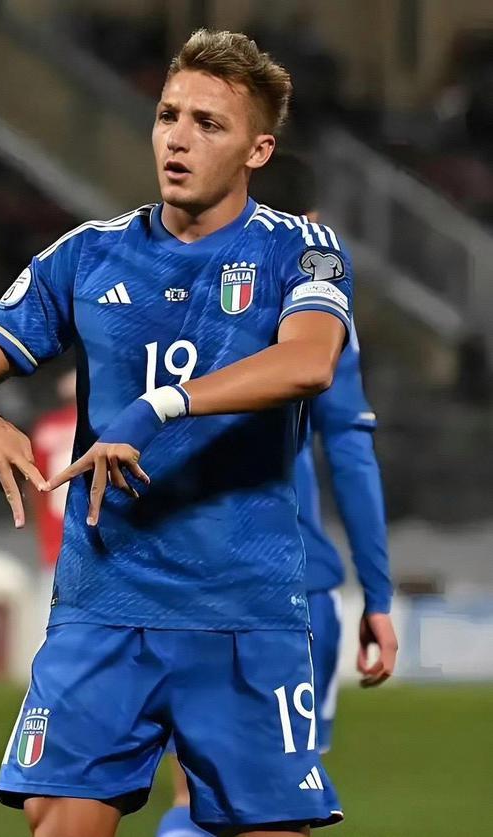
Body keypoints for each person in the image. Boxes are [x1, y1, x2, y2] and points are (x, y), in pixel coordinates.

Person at [0, 30, 397, 837]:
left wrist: (158, 407)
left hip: (244, 610)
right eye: (168, 115)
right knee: (58, 819)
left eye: (208, 124)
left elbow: (310, 362)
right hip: (106, 603)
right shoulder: (86, 255)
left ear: (257, 150)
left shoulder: (302, 250)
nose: (178, 138)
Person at [155, 154, 395, 837]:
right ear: (309, 221)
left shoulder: (161, 284)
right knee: (275, 813)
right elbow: (349, 451)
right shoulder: (314, 303)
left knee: (191, 798)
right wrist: (377, 595)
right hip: (286, 585)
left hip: (173, 579)